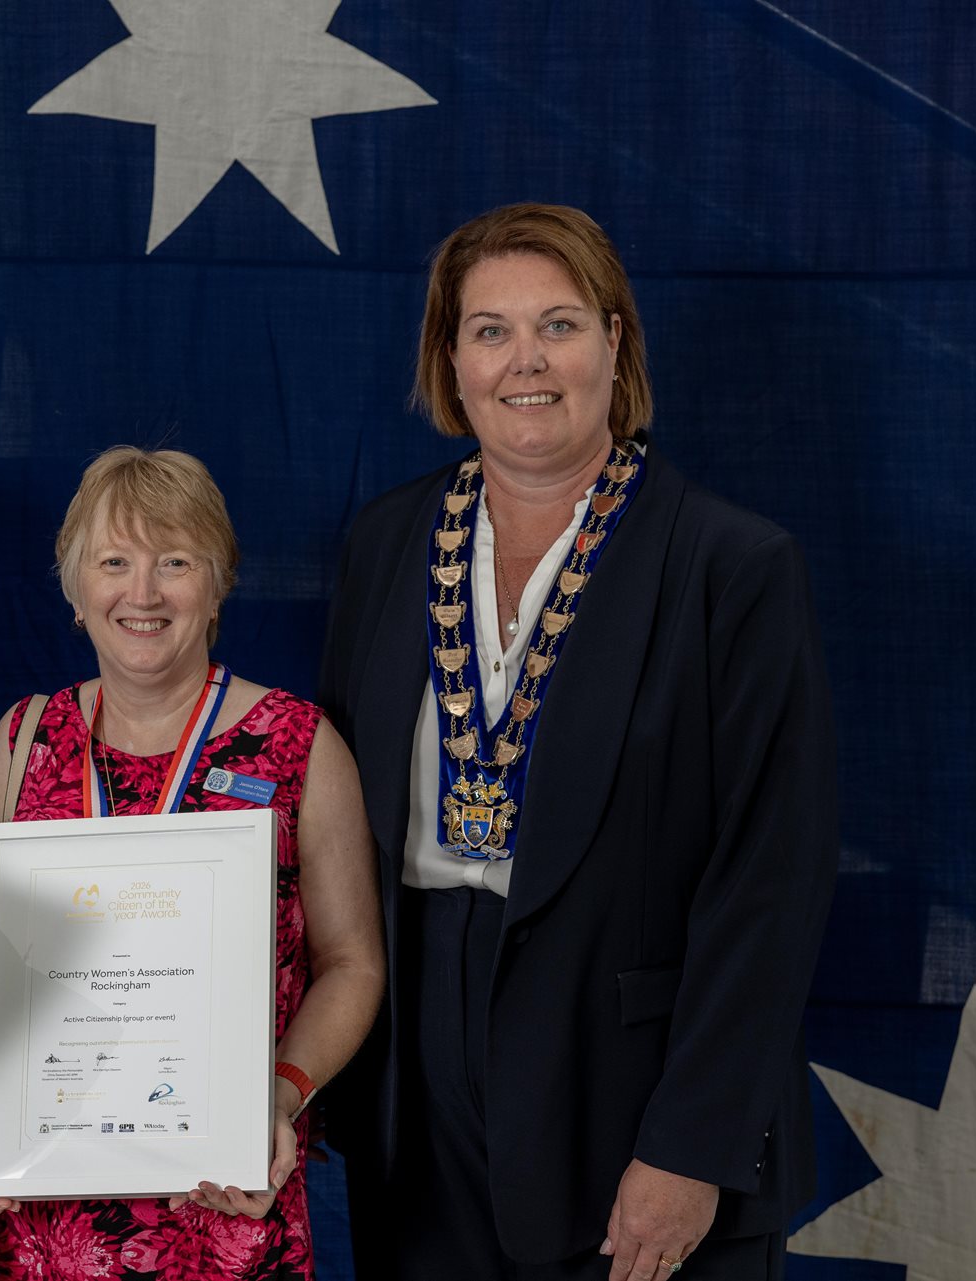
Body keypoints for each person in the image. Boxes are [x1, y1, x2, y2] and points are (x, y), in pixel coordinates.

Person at [317, 203, 838, 1281]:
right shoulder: (384, 544)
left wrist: (691, 1146)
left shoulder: (729, 567)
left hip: (632, 1089)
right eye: (491, 330)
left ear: (615, 343)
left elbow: (769, 885)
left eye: (559, 324)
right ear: (451, 361)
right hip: (418, 1080)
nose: (527, 361)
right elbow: (329, 828)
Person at [0, 446, 386, 1279]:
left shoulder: (300, 745)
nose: (142, 593)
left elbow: (354, 963)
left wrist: (279, 1096)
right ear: (75, 590)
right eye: (114, 562)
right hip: (47, 1210)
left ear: (217, 585)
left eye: (174, 562)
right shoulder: (24, 739)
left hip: (226, 1194)